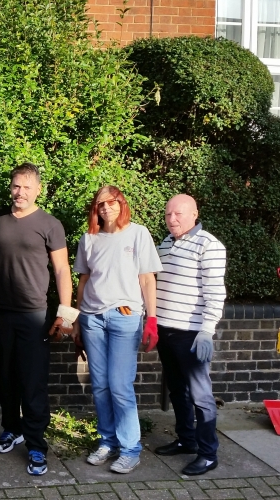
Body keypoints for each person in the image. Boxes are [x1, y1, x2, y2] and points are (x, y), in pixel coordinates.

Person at [0, 163, 74, 476]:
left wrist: (65, 312)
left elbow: (62, 270)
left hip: (34, 316)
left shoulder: (50, 224)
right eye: (15, 186)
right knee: (7, 378)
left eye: (26, 187)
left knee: (33, 381)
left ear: (38, 189)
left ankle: (37, 445)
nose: (20, 192)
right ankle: (12, 428)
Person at [72, 185, 162, 474]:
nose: (106, 208)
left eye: (111, 203)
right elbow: (83, 281)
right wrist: (76, 320)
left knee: (120, 385)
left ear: (121, 204)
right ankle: (107, 442)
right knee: (99, 385)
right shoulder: (89, 238)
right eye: (100, 204)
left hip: (125, 318)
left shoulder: (138, 234)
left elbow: (147, 280)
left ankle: (130, 449)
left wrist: (151, 320)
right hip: (92, 319)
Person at [154, 194, 227, 476]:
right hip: (165, 331)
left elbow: (215, 292)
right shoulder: (164, 244)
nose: (172, 219)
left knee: (201, 396)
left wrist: (207, 331)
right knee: (178, 392)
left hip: (192, 335)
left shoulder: (209, 245)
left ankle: (208, 454)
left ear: (194, 214)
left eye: (179, 214)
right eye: (168, 214)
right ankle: (187, 439)